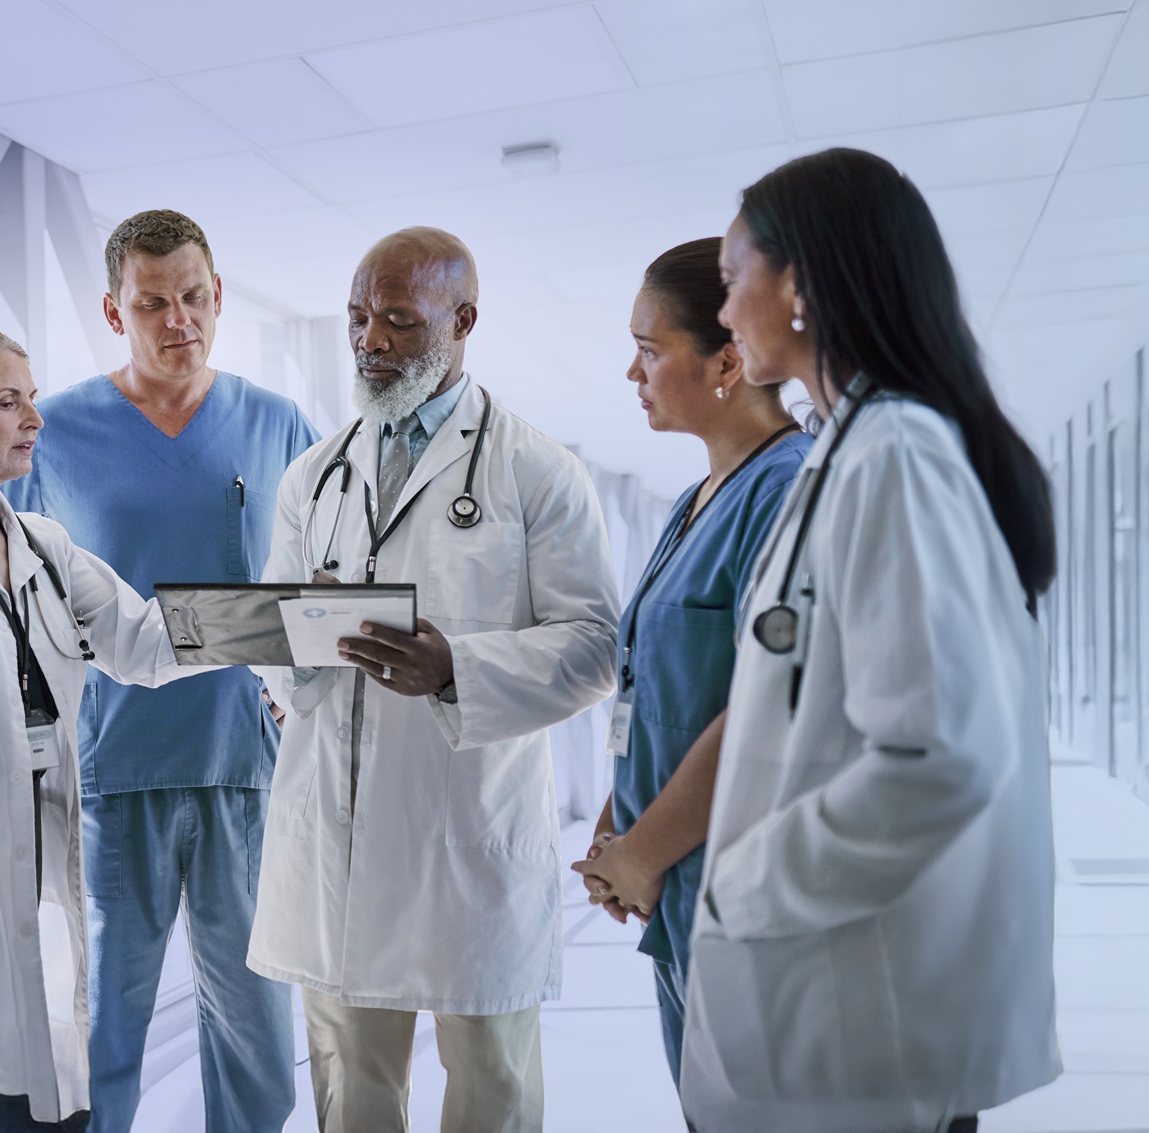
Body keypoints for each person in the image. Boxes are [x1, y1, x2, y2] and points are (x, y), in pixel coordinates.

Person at [677, 148, 1061, 1133]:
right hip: (839, 1018)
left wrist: (746, 882)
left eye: (731, 282)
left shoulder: (894, 453)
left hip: (863, 1028)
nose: (723, 314)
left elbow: (939, 755)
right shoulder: (857, 445)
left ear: (798, 282)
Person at [252, 227, 621, 1133]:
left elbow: (595, 645)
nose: (370, 341)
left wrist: (457, 664)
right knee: (351, 1088)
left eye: (399, 322)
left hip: (468, 834)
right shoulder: (314, 475)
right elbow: (273, 646)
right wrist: (297, 635)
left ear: (463, 321)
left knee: (491, 1081)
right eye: (357, 318)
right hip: (337, 835)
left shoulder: (536, 471)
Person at [2, 209, 314, 1133]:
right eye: (152, 303)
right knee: (102, 1030)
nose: (179, 319)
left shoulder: (278, 421)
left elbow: (322, 583)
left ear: (217, 296)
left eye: (194, 297)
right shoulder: (50, 431)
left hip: (245, 765)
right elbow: (10, 591)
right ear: (113, 311)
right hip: (108, 770)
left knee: (255, 1030)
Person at [0, 328, 211, 1130]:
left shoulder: (45, 547)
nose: (34, 419)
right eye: (7, 401)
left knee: (56, 1091)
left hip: (46, 850)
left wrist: (277, 620)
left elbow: (148, 641)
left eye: (32, 399)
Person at [564, 237, 810, 1087]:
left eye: (648, 349)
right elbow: (659, 691)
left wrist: (642, 852)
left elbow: (764, 708)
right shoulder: (693, 500)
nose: (632, 374)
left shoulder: (785, 492)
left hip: (739, 889)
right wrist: (614, 823)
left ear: (727, 362)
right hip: (675, 885)